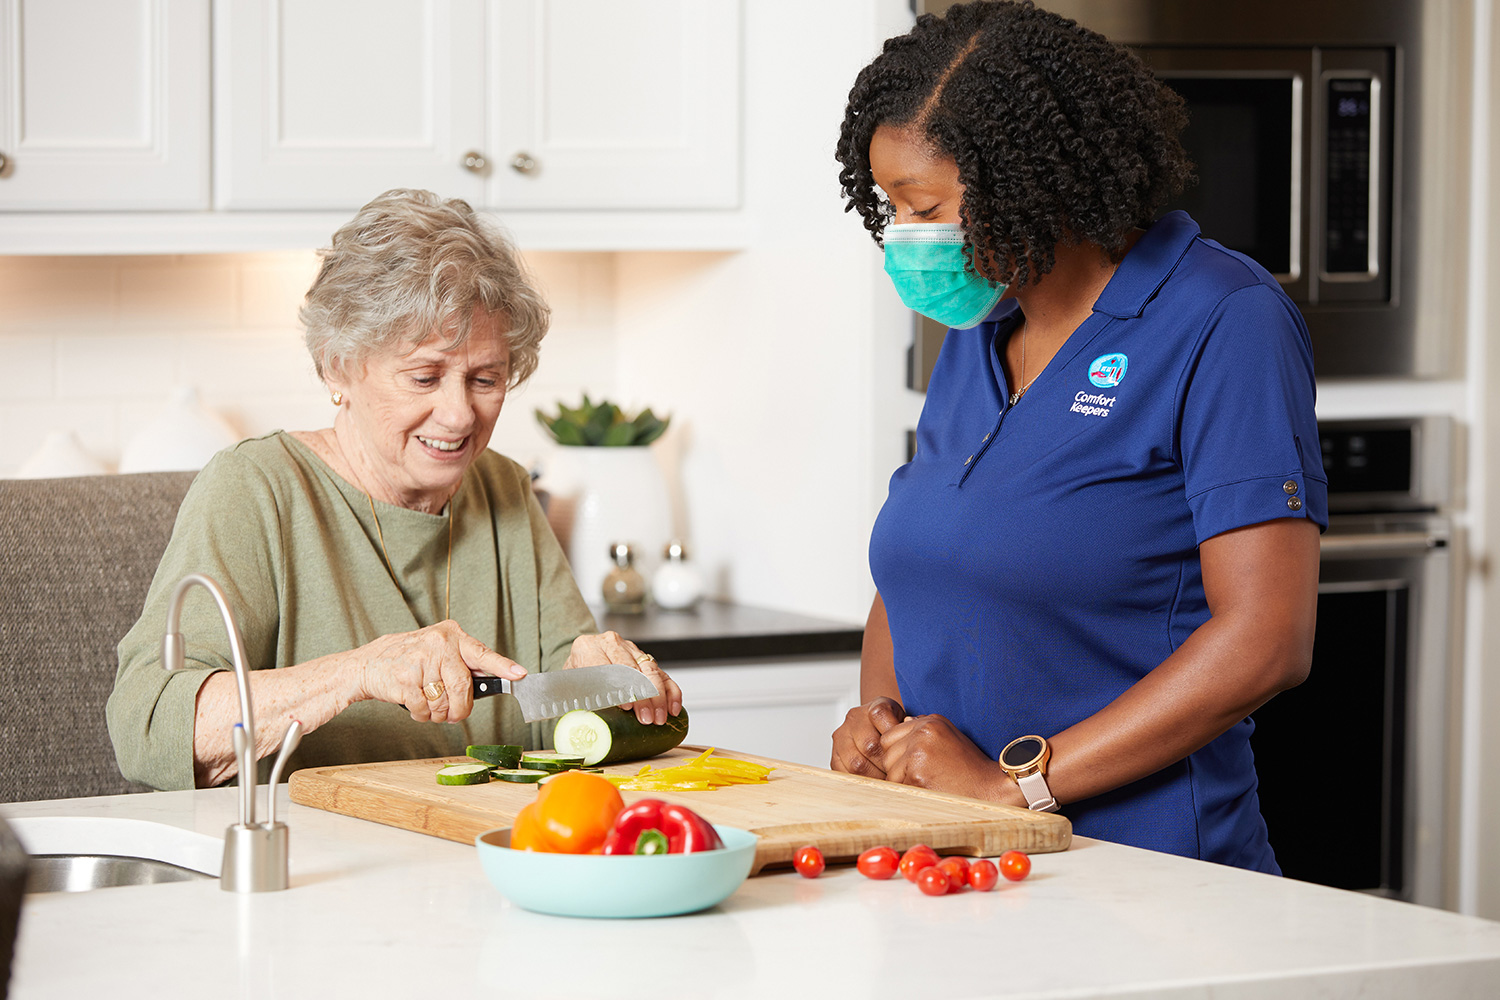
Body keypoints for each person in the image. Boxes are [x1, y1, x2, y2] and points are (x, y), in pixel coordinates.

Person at [830, 1, 1324, 873]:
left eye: (927, 206)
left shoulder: (1224, 319)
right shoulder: (980, 332)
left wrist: (1010, 789)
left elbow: (1265, 641)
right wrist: (884, 733)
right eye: (892, 207)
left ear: (1033, 181)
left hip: (1150, 871)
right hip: (962, 863)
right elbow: (925, 565)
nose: (906, 237)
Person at [107, 189, 681, 790]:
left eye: (485, 379)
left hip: (487, 856)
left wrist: (608, 681)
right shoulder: (255, 489)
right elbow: (148, 728)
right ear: (337, 366)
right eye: (424, 376)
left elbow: (555, 715)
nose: (459, 415)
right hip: (317, 864)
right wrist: (358, 672)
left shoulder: (503, 488)